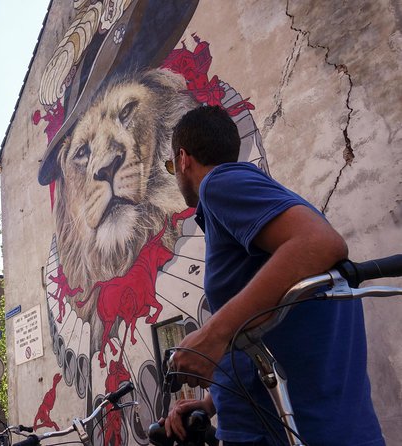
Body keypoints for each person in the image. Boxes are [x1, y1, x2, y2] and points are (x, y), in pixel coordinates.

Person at [161, 105, 383, 445]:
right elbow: (277, 321)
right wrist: (211, 402)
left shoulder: (219, 183)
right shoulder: (253, 193)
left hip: (289, 430)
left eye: (170, 166)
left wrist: (213, 335)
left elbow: (319, 243)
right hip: (315, 424)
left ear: (183, 158)